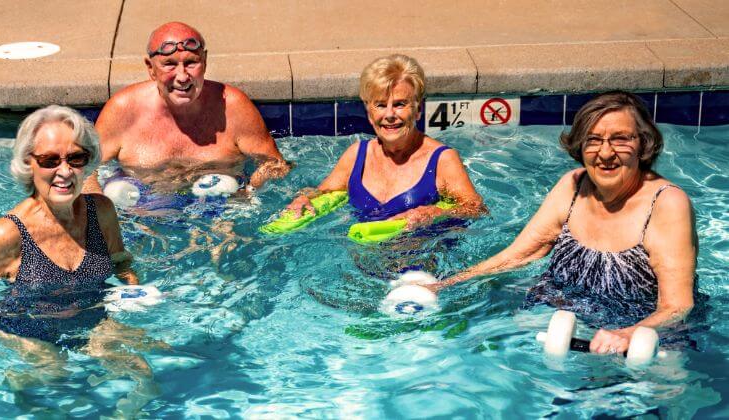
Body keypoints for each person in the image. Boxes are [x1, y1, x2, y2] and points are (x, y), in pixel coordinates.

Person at [0, 106, 160, 415]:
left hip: (87, 315)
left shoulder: (101, 212)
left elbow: (121, 264)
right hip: (23, 326)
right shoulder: (8, 233)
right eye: (49, 160)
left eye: (75, 158)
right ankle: (16, 382)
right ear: (28, 164)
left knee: (143, 370)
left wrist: (135, 293)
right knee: (55, 373)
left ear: (87, 162)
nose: (64, 172)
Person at [435, 91, 696, 355]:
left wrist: (626, 335)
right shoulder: (573, 185)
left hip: (637, 341)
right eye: (593, 140)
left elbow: (676, 307)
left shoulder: (667, 204)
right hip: (556, 321)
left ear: (643, 143)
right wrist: (445, 285)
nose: (605, 153)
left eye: (620, 139)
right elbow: (517, 255)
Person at [85, 21, 289, 198]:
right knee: (116, 194)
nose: (182, 76)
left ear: (205, 61)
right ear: (150, 68)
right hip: (144, 212)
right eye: (169, 65)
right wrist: (100, 211)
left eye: (191, 62)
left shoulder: (233, 107)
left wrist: (247, 193)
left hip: (219, 213)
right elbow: (84, 170)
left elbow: (276, 166)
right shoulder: (123, 110)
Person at [283, 54, 485, 227]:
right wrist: (303, 199)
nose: (389, 115)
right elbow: (321, 191)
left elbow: (477, 210)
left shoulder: (442, 160)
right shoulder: (357, 155)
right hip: (360, 266)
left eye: (399, 104)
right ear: (370, 114)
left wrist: (435, 213)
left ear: (418, 110)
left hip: (424, 267)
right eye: (380, 105)